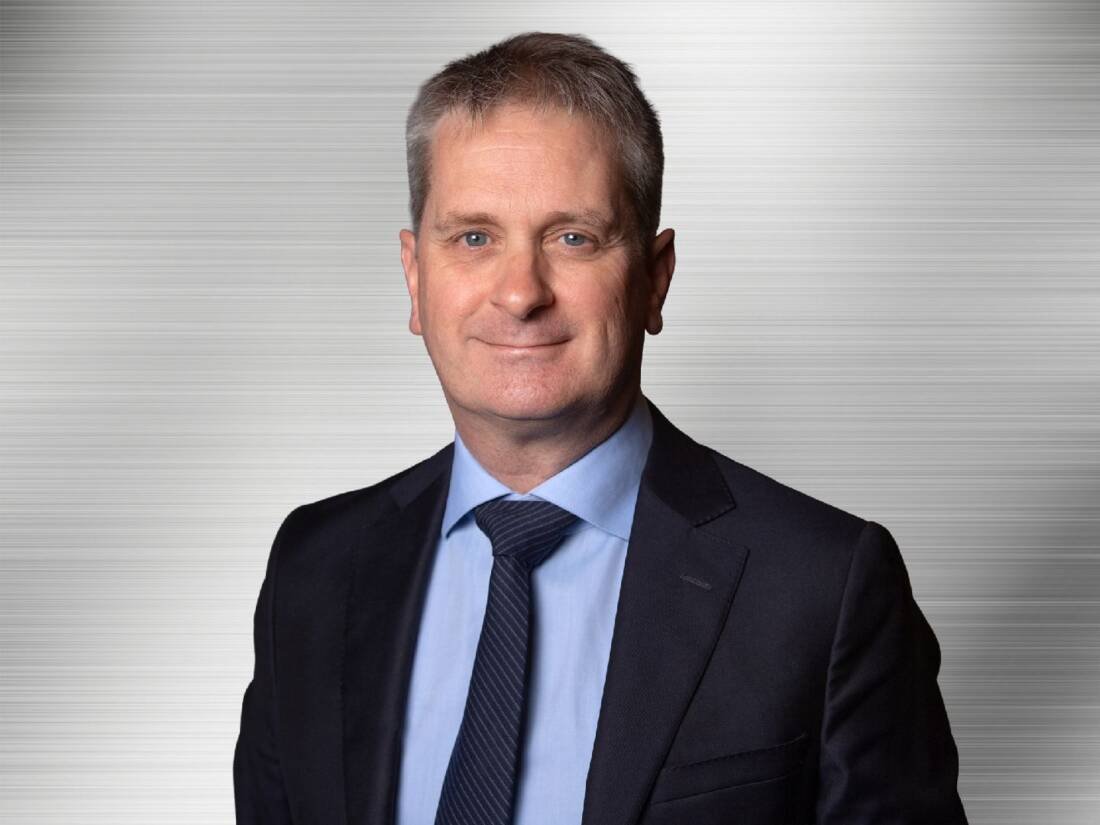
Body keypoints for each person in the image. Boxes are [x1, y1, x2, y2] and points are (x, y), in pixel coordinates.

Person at [233, 31, 968, 825]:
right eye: (474, 237)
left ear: (654, 279)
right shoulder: (314, 570)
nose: (521, 293)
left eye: (573, 238)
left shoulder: (822, 587)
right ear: (416, 278)